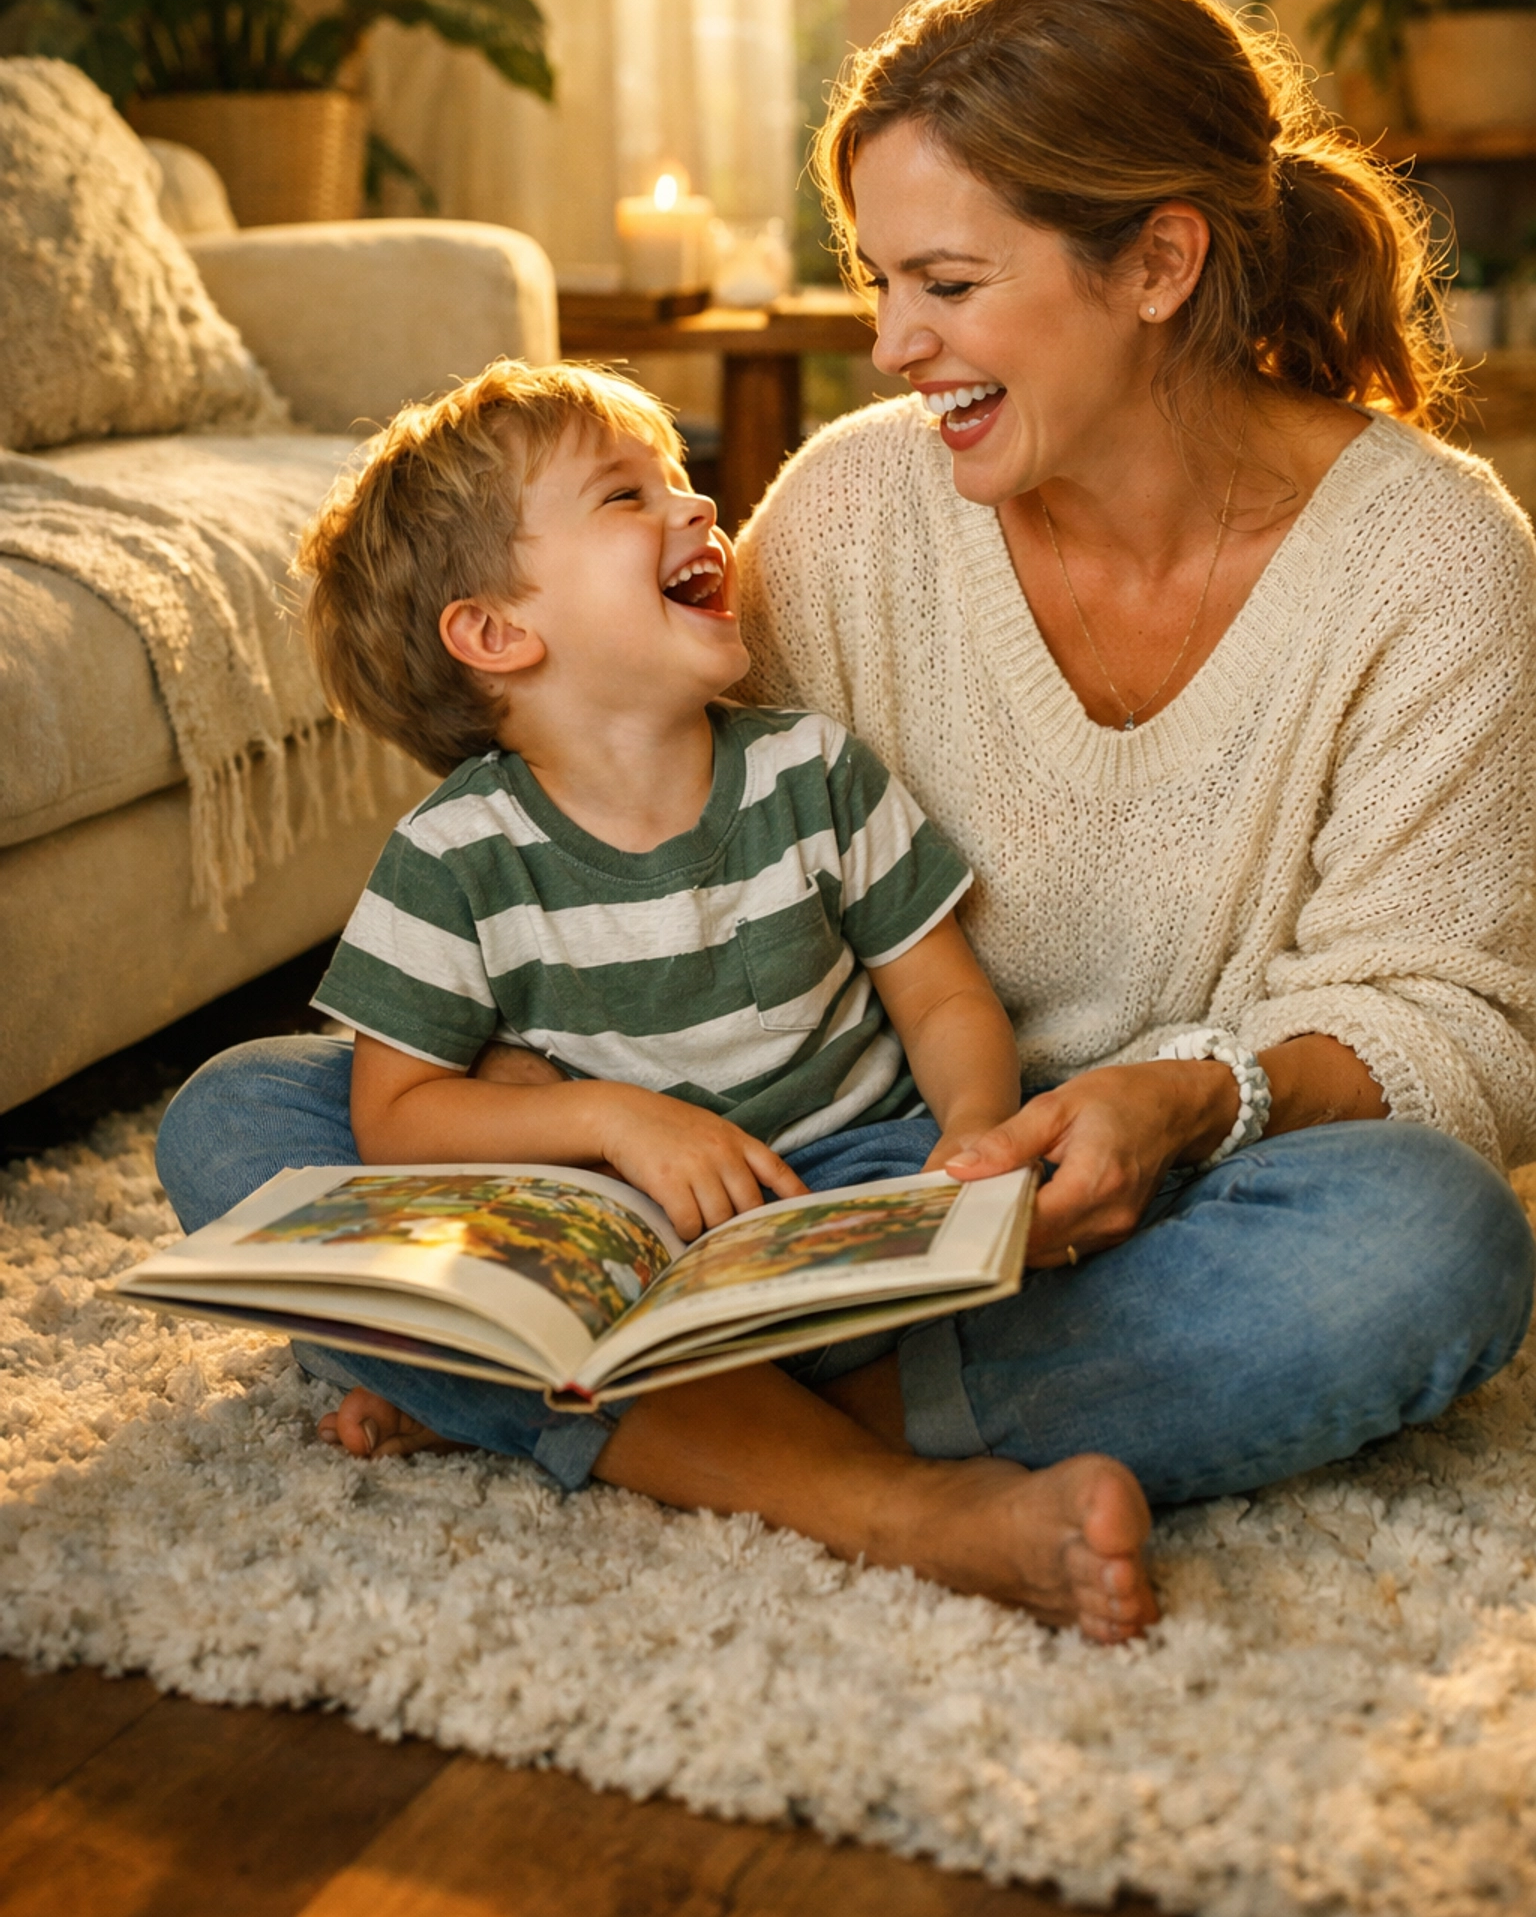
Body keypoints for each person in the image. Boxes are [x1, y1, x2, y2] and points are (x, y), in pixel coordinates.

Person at [156, 356, 1159, 1643]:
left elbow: (945, 997)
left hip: (842, 1180)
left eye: (686, 481)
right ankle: (794, 1449)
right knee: (228, 1124)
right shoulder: (454, 854)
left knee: (1084, 1221)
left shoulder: (812, 769)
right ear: (498, 633)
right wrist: (616, 1121)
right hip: (617, 1227)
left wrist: (973, 1142)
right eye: (630, 495)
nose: (700, 509)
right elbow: (397, 1111)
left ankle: (508, 1407)